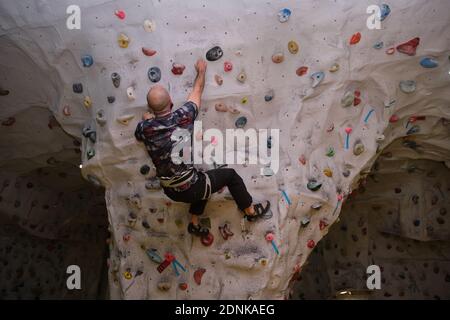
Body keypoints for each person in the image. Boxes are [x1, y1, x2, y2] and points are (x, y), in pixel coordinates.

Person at [135, 58, 270, 237]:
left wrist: (147, 119)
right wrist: (201, 70)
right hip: (192, 187)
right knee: (230, 176)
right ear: (171, 102)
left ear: (151, 108)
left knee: (203, 182)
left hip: (170, 191)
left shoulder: (145, 129)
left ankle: (194, 223)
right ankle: (250, 212)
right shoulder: (183, 116)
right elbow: (197, 90)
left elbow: (139, 134)